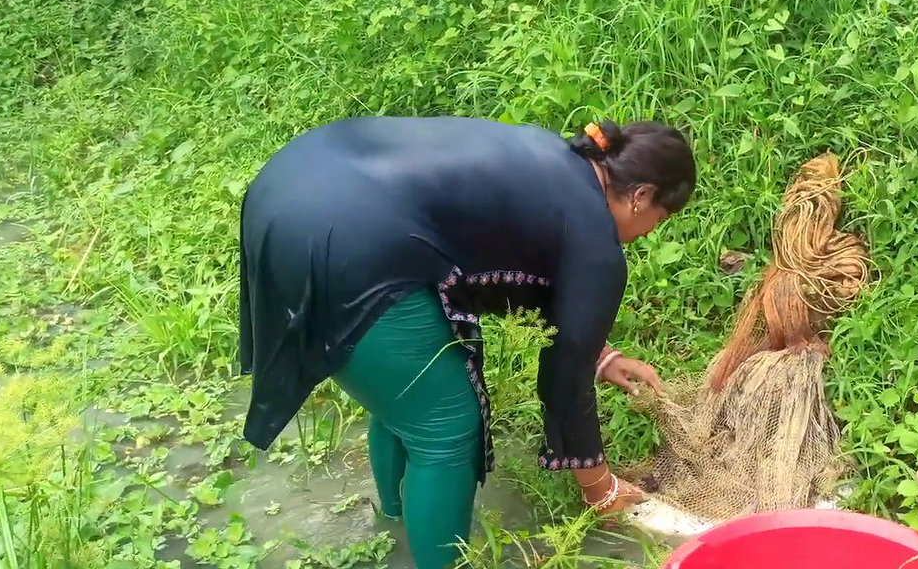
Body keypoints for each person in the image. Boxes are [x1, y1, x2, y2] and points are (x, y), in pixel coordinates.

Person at [236, 115, 696, 568]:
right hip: (352, 236)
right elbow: (564, 379)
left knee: (407, 402)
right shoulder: (595, 236)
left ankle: (395, 525)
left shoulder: (557, 163)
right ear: (641, 196)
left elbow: (554, 295)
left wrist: (602, 353)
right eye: (661, 217)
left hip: (293, 185)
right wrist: (601, 487)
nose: (652, 231)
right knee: (446, 428)